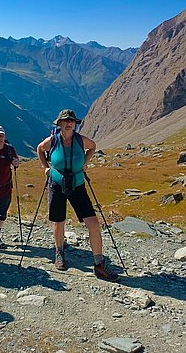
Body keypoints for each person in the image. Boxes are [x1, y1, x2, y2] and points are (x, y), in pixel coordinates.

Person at [37, 109, 119, 281]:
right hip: (57, 183)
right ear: (59, 124)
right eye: (66, 121)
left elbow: (93, 146)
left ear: (75, 124)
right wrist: (46, 168)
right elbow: (39, 149)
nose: (69, 124)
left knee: (93, 223)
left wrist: (85, 162)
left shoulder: (80, 140)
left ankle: (99, 264)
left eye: (72, 121)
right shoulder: (53, 140)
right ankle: (59, 252)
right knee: (58, 221)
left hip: (77, 184)